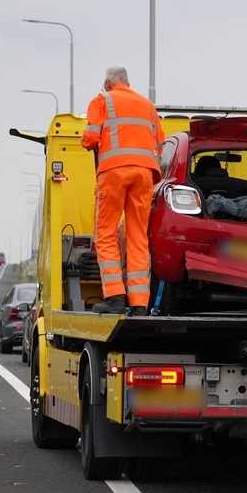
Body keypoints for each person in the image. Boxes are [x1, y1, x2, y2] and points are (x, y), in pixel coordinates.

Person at [80, 65, 165, 316]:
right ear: (127, 82)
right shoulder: (147, 105)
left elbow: (90, 138)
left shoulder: (103, 100)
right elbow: (159, 144)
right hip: (145, 174)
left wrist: (87, 141)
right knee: (137, 236)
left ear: (108, 82)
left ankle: (115, 297)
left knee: (106, 234)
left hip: (114, 172)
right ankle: (139, 303)